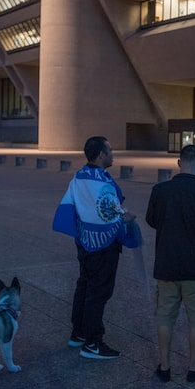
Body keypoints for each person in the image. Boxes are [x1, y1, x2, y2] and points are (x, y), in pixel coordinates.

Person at [52, 136, 136, 359]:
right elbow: (108, 215)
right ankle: (93, 343)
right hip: (103, 247)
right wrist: (125, 220)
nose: (113, 154)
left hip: (84, 242)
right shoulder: (104, 182)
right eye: (110, 150)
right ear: (101, 154)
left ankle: (78, 333)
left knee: (85, 286)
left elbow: (80, 208)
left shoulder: (78, 177)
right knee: (98, 292)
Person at [145, 144, 195, 383]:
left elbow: (152, 221)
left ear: (179, 163)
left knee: (164, 318)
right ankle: (193, 367)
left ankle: (165, 367)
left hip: (166, 265)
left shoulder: (160, 190)